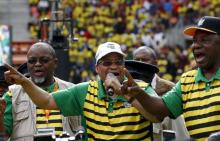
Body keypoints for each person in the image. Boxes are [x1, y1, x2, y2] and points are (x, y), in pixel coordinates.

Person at [4, 41, 159, 140]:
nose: (113, 67)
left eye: (118, 62)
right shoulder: (84, 91)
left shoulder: (142, 88)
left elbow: (157, 117)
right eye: (106, 63)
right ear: (97, 68)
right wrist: (24, 81)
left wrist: (129, 96)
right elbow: (46, 100)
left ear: (123, 66)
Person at [121, 16, 220, 140]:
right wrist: (139, 93)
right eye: (194, 41)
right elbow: (161, 109)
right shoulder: (187, 80)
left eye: (205, 40)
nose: (196, 46)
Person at [0, 42, 81, 141]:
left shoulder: (72, 91)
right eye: (32, 61)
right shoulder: (12, 94)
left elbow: (82, 130)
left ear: (55, 63)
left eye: (44, 60)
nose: (37, 64)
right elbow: (3, 135)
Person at [133, 46, 189, 141]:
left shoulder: (170, 90)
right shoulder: (127, 90)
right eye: (137, 60)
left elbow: (180, 135)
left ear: (155, 63)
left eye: (145, 59)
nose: (140, 63)